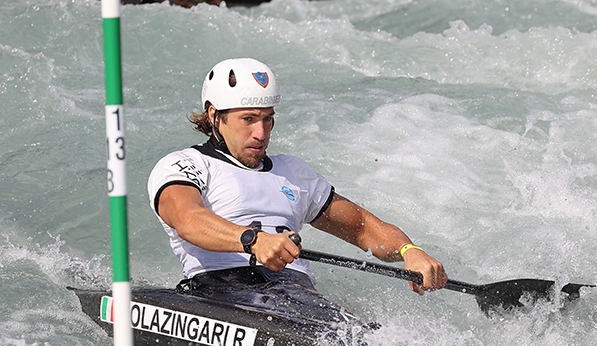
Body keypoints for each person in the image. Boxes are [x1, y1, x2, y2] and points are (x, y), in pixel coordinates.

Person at [147, 58, 447, 303]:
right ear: (215, 115)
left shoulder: (293, 172)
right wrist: (254, 241)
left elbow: (365, 228)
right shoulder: (185, 165)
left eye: (268, 119)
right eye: (248, 119)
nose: (261, 133)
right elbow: (187, 219)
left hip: (297, 296)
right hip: (221, 292)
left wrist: (409, 251)